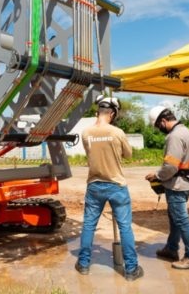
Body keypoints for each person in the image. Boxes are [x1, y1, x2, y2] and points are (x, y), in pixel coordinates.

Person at [75, 95, 143, 281]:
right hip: (116, 185)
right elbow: (128, 155)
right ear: (112, 113)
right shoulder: (117, 132)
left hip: (94, 185)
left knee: (89, 225)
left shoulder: (86, 133)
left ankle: (83, 264)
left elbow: (90, 154)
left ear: (98, 111)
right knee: (125, 227)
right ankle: (131, 270)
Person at [145, 105, 189, 270]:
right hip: (186, 181)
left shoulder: (174, 136)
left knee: (181, 220)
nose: (159, 129)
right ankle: (171, 249)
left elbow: (170, 166)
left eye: (158, 126)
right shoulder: (186, 131)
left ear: (163, 121)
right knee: (175, 218)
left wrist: (157, 175)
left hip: (177, 184)